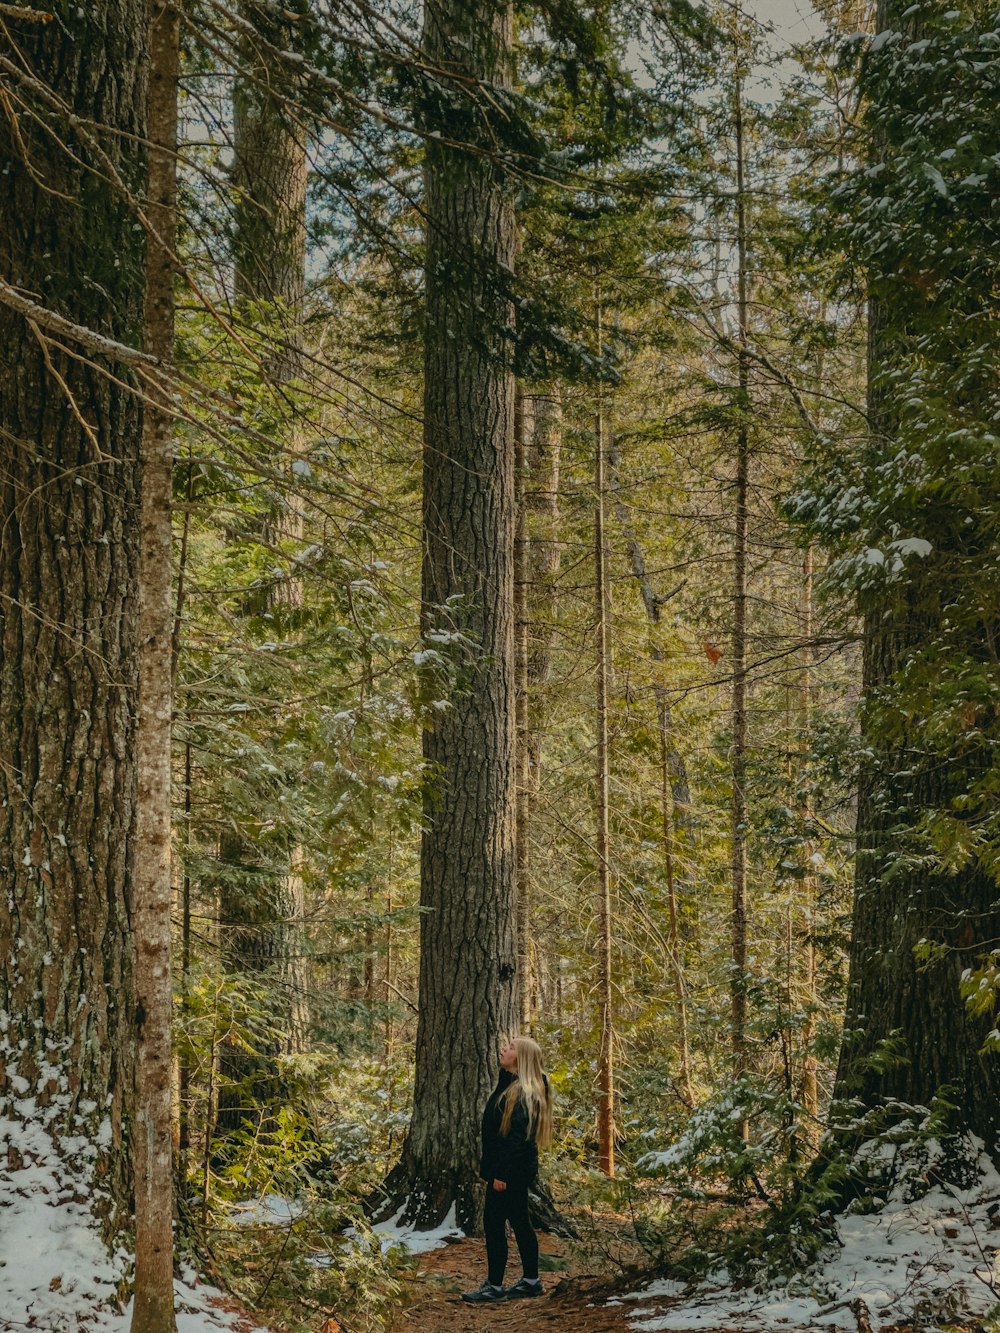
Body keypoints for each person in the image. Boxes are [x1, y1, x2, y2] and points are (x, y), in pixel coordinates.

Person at [461, 1035, 553, 1304]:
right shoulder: (512, 1085)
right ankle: (530, 1281)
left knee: (494, 1223)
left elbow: (519, 1139)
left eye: (511, 1047)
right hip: (513, 1170)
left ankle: (495, 1286)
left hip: (510, 1172)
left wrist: (501, 1174)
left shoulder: (524, 1093)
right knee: (520, 1222)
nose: (504, 1048)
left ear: (521, 1059)